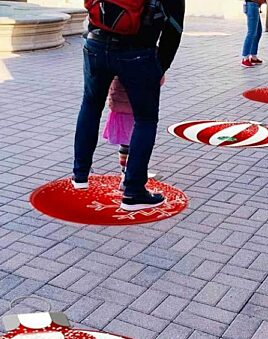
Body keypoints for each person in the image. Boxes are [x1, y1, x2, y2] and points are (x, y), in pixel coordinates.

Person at [72, 0, 185, 211]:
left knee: (90, 104)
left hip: (96, 44)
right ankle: (133, 192)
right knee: (145, 119)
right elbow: (174, 30)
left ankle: (80, 175)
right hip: (138, 53)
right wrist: (160, 67)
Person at [102, 77, 163, 191]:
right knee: (137, 142)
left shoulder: (115, 63)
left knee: (125, 144)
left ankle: (125, 172)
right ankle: (129, 174)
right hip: (135, 109)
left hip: (118, 107)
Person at [241, 0, 266, 68]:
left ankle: (253, 57)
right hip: (252, 5)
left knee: (258, 32)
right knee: (251, 33)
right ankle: (245, 58)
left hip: (254, 5)